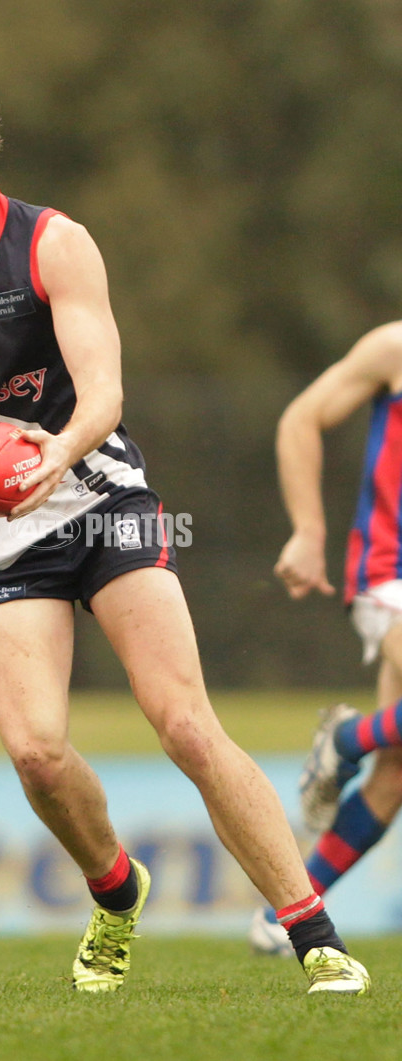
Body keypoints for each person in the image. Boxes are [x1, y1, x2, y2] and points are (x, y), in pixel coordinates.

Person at [0, 65, 369, 995]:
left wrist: (57, 450)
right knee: (36, 754)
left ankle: (315, 934)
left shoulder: (56, 243)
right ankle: (116, 887)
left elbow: (105, 391)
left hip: (99, 497)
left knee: (184, 722)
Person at [249, 322, 402, 957]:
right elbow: (301, 419)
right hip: (391, 573)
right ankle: (343, 740)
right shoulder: (395, 347)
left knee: (394, 773)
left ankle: (285, 914)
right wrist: (308, 532)